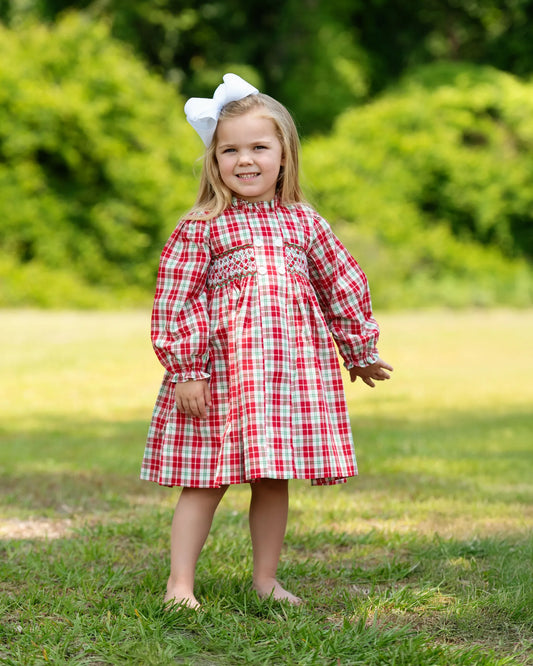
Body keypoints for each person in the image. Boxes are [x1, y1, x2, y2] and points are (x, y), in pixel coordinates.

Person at [141, 73, 393, 610]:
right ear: (214, 161)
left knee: (273, 479)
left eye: (259, 147)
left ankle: (266, 579)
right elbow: (176, 298)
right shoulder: (203, 225)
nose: (245, 160)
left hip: (284, 378)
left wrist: (360, 349)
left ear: (285, 154)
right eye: (229, 149)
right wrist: (187, 369)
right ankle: (179, 585)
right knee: (205, 481)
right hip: (220, 379)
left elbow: (343, 283)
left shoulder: (305, 223)